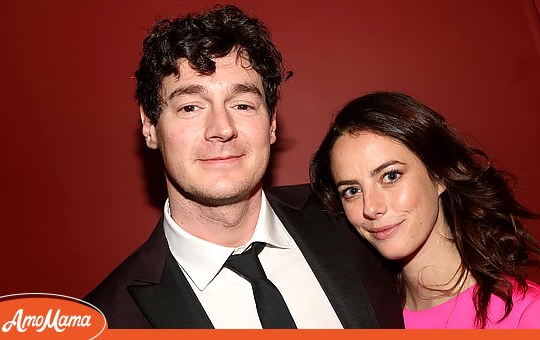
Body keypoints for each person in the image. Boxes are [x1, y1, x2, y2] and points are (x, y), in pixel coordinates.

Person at [84, 6, 403, 329]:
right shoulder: (108, 320)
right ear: (150, 126)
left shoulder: (356, 218)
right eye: (190, 107)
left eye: (242, 105)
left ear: (272, 123)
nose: (222, 128)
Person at [310, 91, 540, 329]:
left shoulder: (532, 316)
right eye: (352, 191)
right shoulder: (359, 319)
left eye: (391, 176)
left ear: (439, 174)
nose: (371, 207)